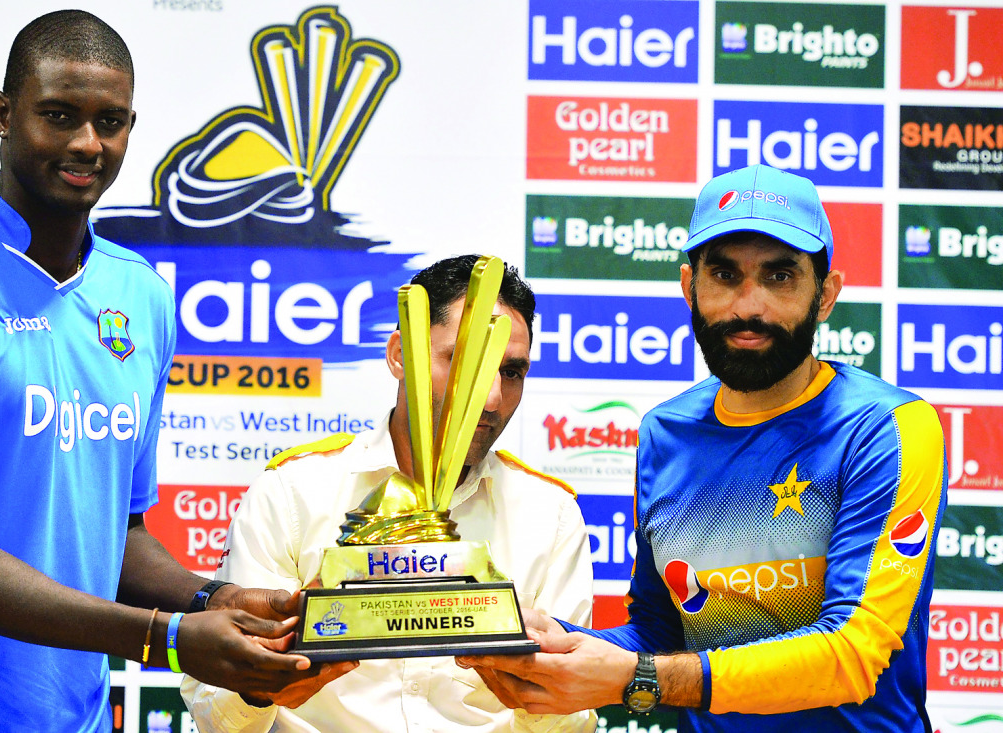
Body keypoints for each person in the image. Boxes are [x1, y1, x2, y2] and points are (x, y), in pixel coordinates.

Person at [0, 11, 333, 733]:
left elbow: (117, 534)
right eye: (60, 115)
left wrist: (210, 600)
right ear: (4, 114)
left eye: (110, 121)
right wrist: (167, 638)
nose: (88, 143)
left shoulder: (138, 292)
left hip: (69, 715)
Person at [461, 165, 948, 732]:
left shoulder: (886, 426)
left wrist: (634, 678)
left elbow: (855, 652)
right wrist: (557, 643)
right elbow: (661, 634)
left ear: (826, 295)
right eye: (724, 274)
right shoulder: (665, 434)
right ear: (690, 286)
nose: (750, 306)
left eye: (781, 277)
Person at [182, 255, 597, 732]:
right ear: (401, 355)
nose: (490, 400)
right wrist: (263, 679)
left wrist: (529, 667)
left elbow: (571, 723)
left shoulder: (551, 515)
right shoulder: (294, 491)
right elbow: (217, 713)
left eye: (512, 372)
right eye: (465, 364)